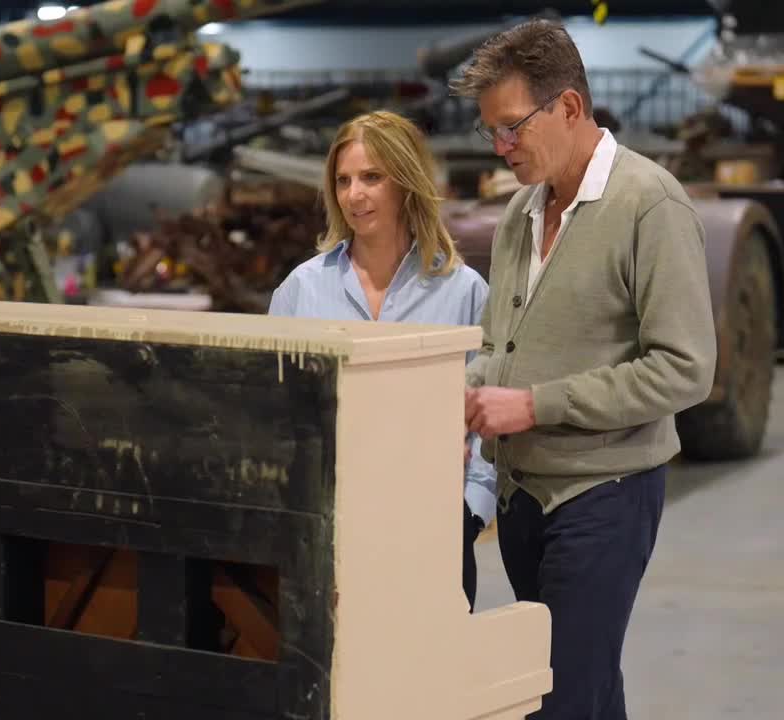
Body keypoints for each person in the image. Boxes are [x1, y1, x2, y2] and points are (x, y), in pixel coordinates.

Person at [452, 19, 716, 720]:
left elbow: (685, 369)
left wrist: (536, 405)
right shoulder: (519, 213)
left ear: (569, 107)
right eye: (492, 132)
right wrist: (468, 396)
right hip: (521, 499)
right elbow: (498, 345)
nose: (502, 147)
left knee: (556, 698)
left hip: (604, 493)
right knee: (590, 688)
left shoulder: (648, 205)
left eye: (512, 127)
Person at [267, 110, 496, 611]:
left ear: (407, 181)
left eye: (372, 177)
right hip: (325, 530)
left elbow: (487, 413)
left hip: (434, 527)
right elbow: (275, 412)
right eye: (344, 180)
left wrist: (471, 512)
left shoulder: (464, 292)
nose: (355, 195)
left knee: (431, 680)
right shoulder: (302, 289)